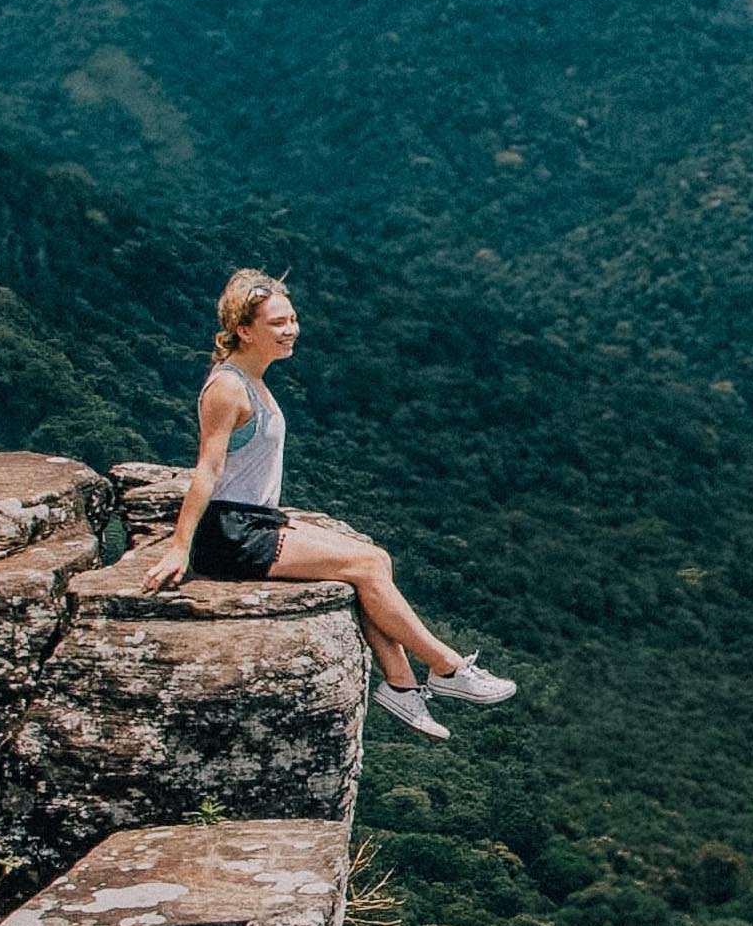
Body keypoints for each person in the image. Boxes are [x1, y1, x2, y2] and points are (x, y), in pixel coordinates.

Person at [155, 268, 515, 740]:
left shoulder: (252, 378)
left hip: (255, 522)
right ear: (244, 330)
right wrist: (181, 546)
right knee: (365, 564)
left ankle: (402, 687)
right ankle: (446, 669)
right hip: (231, 535)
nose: (291, 330)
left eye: (292, 319)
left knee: (374, 560)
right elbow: (207, 468)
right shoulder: (228, 387)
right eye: (277, 323)